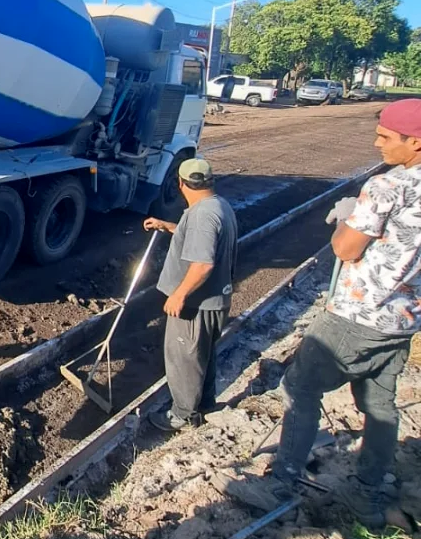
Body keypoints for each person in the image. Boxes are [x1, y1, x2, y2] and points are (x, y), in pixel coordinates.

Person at [238, 99, 421, 527]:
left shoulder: (388, 186)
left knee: (299, 387)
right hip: (403, 319)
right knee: (380, 405)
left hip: (357, 314)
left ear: (415, 142)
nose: (377, 144)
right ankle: (367, 493)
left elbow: (346, 248)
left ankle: (280, 483)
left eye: (385, 137)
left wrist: (346, 216)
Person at [143, 157, 239, 432]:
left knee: (184, 360)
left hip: (197, 305)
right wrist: (169, 227)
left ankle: (182, 415)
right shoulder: (217, 205)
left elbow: (203, 264)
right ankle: (204, 404)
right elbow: (203, 238)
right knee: (202, 356)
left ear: (181, 184)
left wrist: (179, 294)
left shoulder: (201, 216)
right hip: (214, 301)